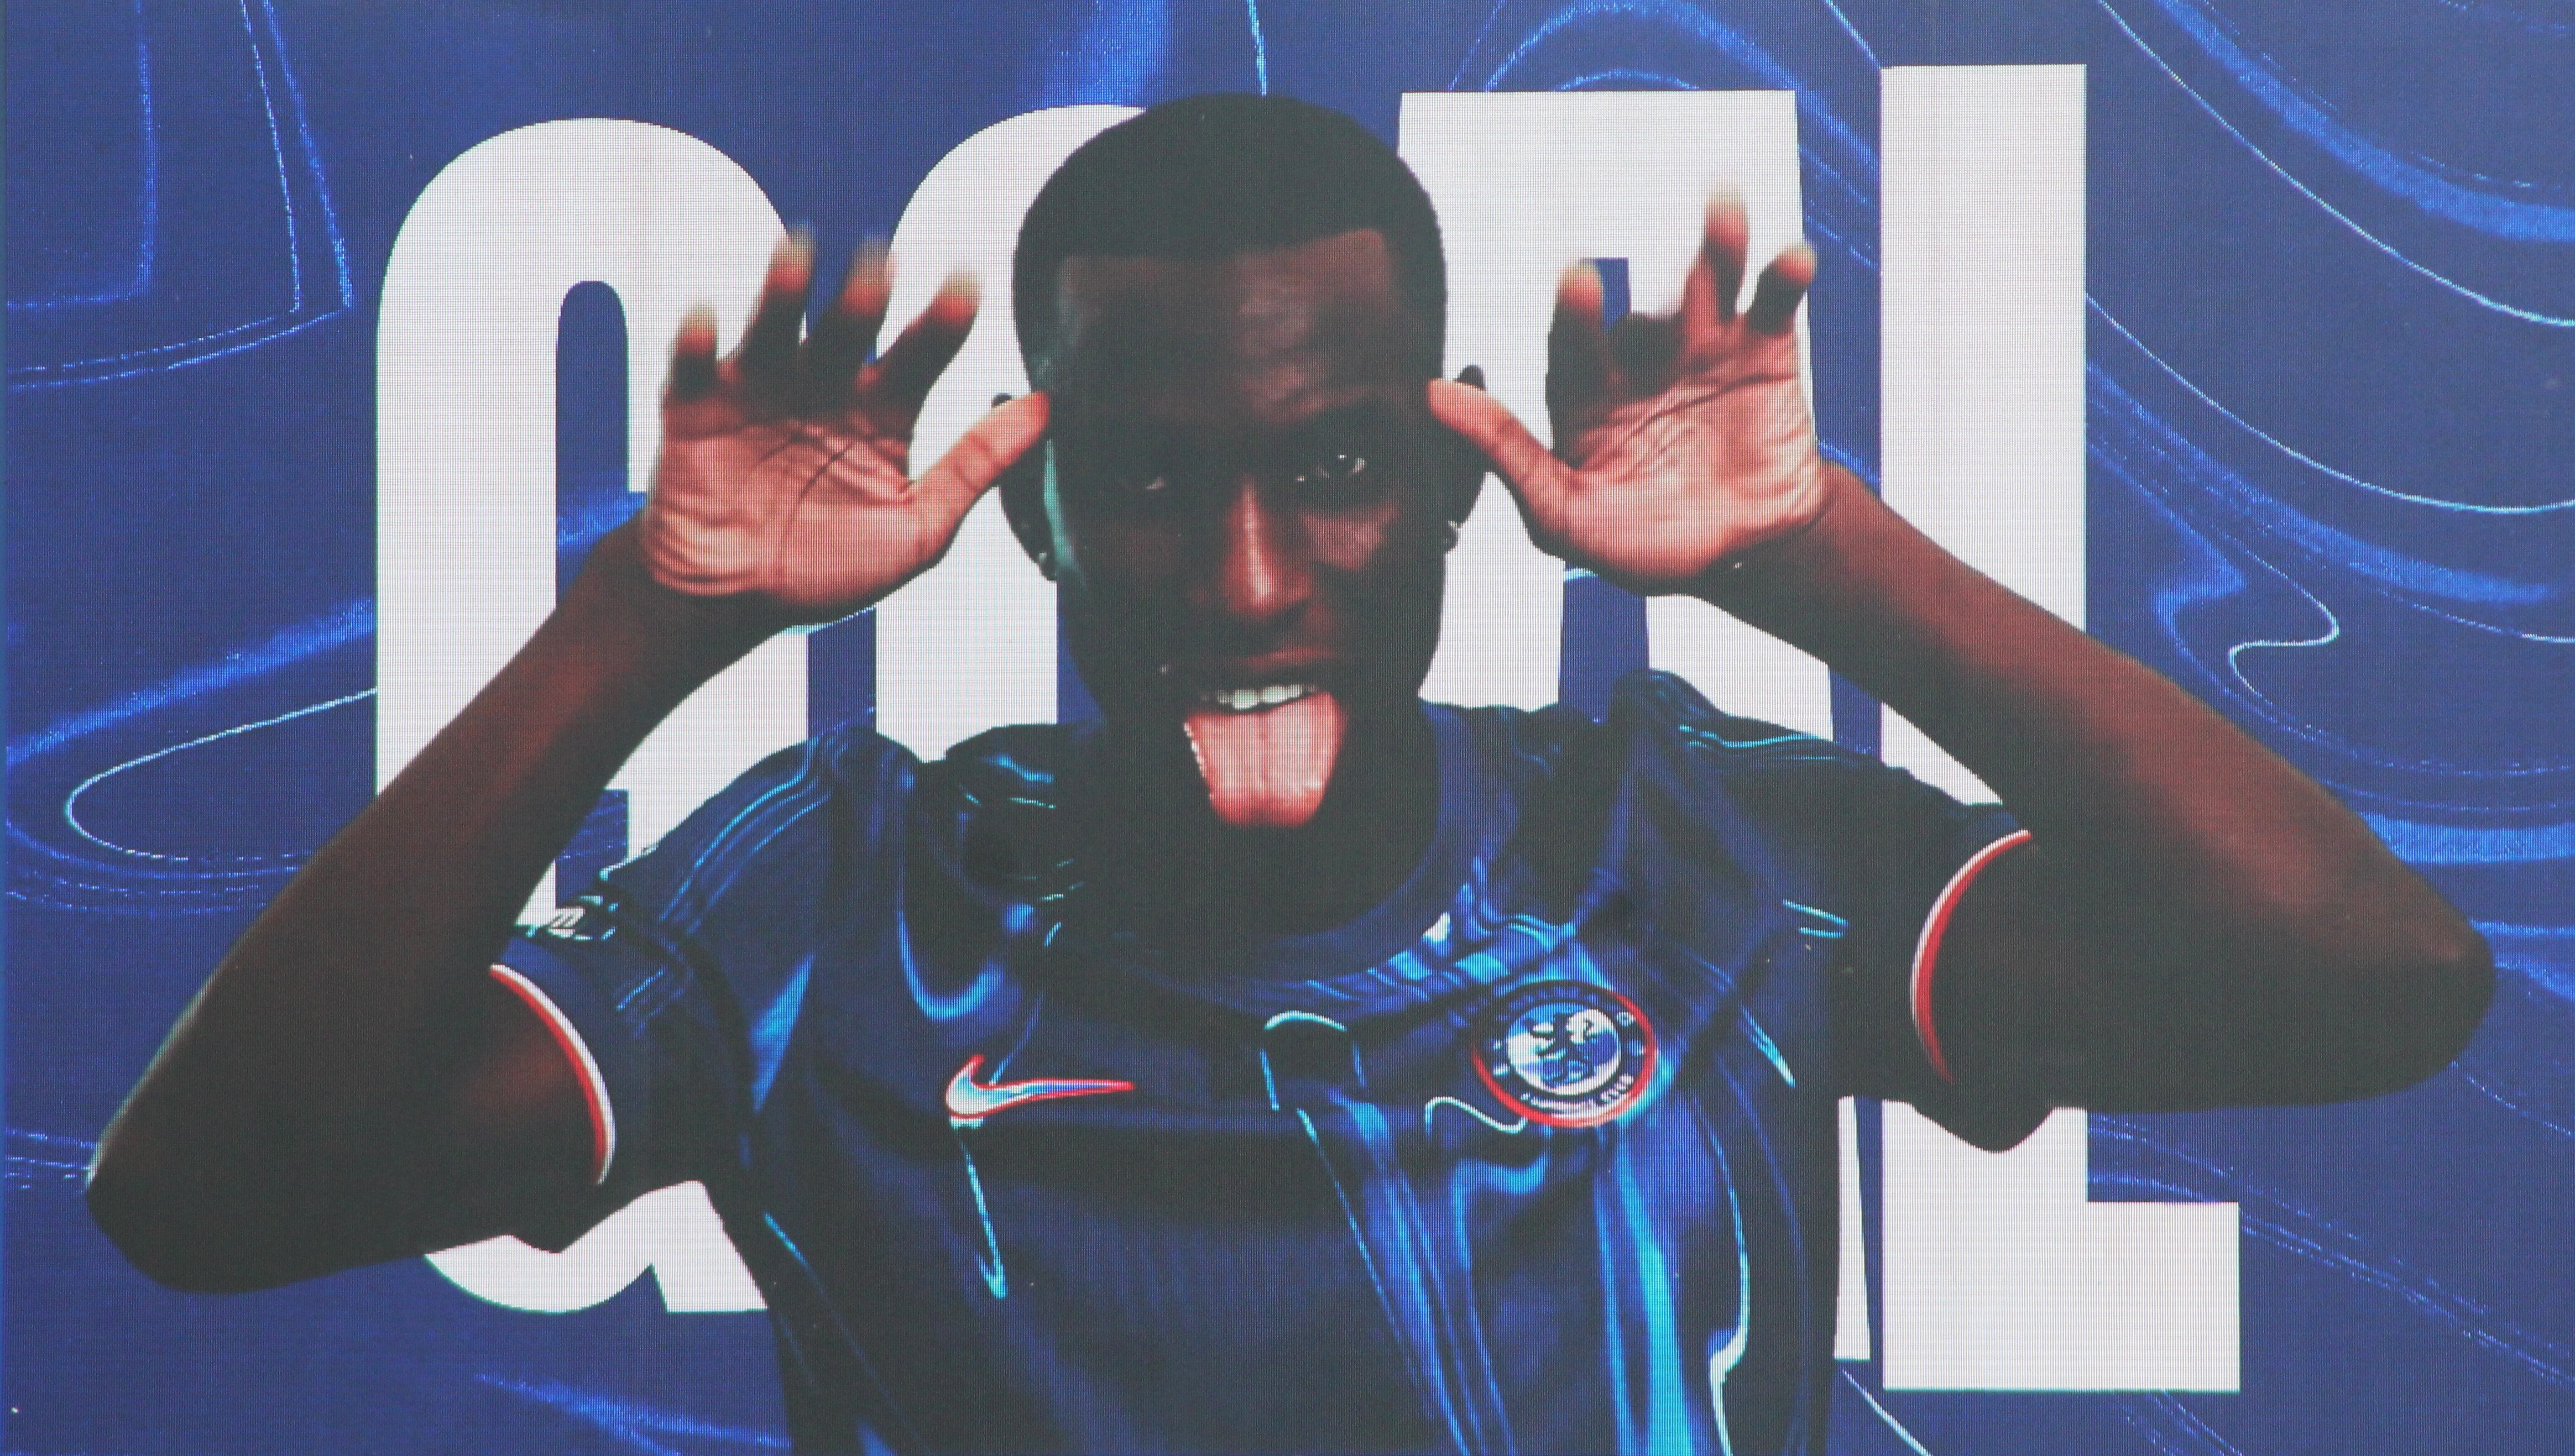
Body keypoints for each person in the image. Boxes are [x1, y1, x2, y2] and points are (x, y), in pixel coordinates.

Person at [87, 95, 2492, 1453]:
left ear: (1451, 483)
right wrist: (648, 612)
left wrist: (1815, 556)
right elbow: (207, 1194)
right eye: (1146, 481)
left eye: (1334, 469)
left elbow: (2364, 980)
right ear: (1029, 508)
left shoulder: (1692, 845)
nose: (1244, 579)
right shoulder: (831, 899)